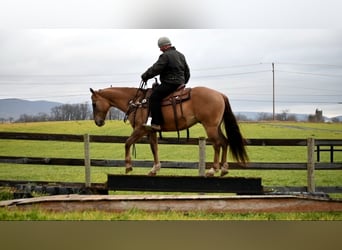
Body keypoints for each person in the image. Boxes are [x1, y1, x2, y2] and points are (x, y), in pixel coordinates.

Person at [141, 37, 190, 130]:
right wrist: (183, 82)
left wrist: (145, 76)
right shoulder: (181, 55)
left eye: (160, 47)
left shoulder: (165, 56)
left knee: (154, 97)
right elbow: (187, 71)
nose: (160, 49)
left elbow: (156, 68)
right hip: (180, 83)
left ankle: (156, 123)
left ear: (164, 46)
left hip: (170, 83)